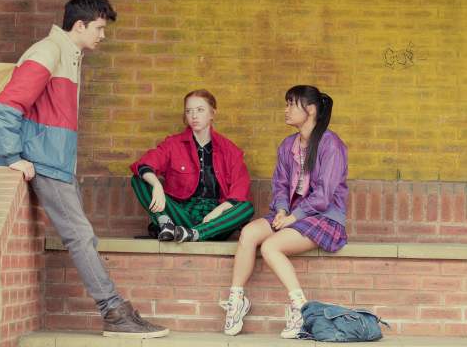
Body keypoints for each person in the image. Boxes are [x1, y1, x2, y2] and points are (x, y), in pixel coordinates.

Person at [0, 0, 168, 338]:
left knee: (81, 235)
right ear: (79, 25)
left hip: (56, 163)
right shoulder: (49, 51)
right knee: (81, 236)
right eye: (99, 28)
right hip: (44, 163)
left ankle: (116, 311)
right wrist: (12, 158)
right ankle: (114, 311)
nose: (102, 35)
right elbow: (7, 105)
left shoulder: (67, 54)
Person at [221, 85, 348, 338]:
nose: (286, 109)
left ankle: (301, 310)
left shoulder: (331, 144)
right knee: (249, 233)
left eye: (291, 104)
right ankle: (236, 301)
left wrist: (294, 217)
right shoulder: (287, 145)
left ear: (310, 110)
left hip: (322, 217)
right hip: (291, 213)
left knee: (270, 247)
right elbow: (280, 184)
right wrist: (281, 210)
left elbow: (324, 196)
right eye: (286, 104)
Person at [129, 89, 255, 242]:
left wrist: (218, 211)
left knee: (246, 208)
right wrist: (156, 185)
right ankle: (167, 223)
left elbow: (240, 189)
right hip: (181, 216)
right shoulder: (173, 144)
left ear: (212, 113)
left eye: (200, 110)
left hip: (214, 221)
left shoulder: (230, 150)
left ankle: (194, 233)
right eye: (189, 111)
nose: (194, 116)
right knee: (139, 179)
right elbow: (145, 164)